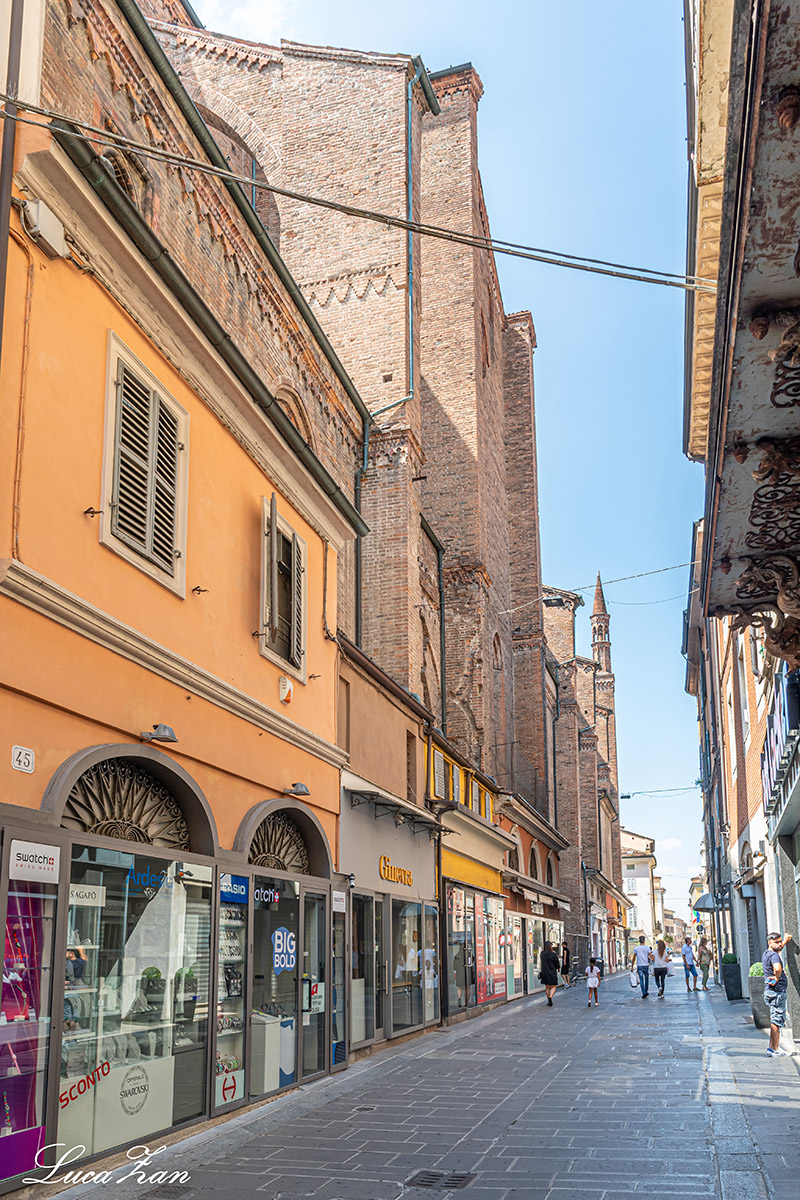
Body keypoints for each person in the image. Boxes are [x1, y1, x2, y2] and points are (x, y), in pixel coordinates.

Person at [763, 931, 793, 1057]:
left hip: (771, 992)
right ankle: (775, 1049)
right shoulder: (774, 956)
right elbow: (777, 968)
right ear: (770, 942)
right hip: (777, 992)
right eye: (777, 942)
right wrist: (777, 977)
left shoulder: (767, 953)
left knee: (775, 1019)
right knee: (777, 1020)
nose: (779, 944)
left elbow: (778, 949)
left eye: (780, 941)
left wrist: (785, 941)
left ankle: (772, 1047)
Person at [539, 940, 560, 1007]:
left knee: (547, 987)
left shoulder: (542, 954)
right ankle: (550, 997)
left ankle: (548, 999)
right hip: (552, 971)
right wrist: (558, 968)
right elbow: (557, 963)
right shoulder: (553, 954)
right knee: (553, 986)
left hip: (544, 972)